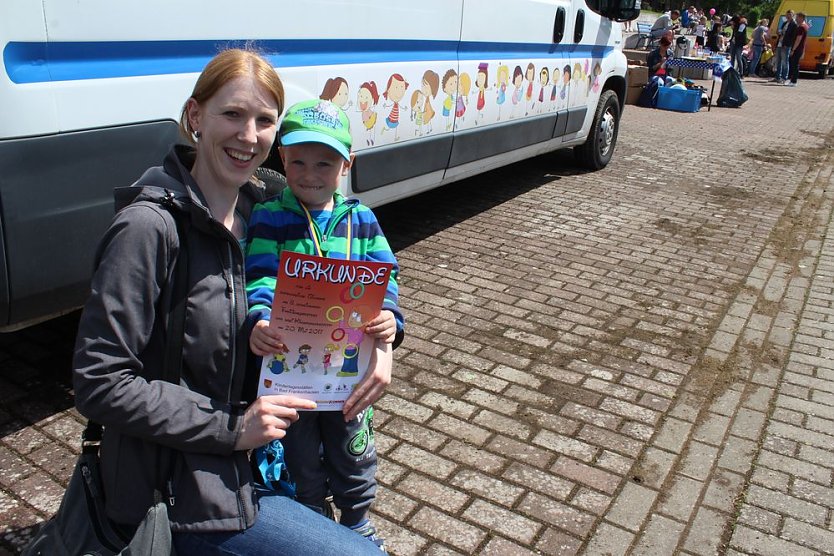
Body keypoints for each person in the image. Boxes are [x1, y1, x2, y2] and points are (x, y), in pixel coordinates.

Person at [72, 48, 385, 556]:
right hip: (182, 486)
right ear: (195, 117)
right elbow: (99, 382)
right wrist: (235, 427)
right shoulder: (148, 228)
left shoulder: (268, 210)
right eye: (233, 114)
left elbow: (346, 288)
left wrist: (382, 350)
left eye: (265, 120)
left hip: (265, 458)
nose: (249, 136)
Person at [246, 99, 404, 550]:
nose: (310, 173)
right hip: (291, 369)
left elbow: (386, 274)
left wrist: (390, 318)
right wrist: (257, 321)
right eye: (298, 161)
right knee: (299, 454)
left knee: (354, 448)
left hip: (349, 370)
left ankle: (356, 521)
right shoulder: (270, 216)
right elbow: (258, 276)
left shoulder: (362, 219)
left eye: (325, 162)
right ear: (282, 159)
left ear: (345, 164)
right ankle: (312, 518)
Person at [787, 12, 810, 86]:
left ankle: (793, 81)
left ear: (801, 18)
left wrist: (793, 50)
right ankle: (792, 80)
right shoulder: (805, 26)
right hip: (800, 48)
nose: (796, 19)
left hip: (797, 49)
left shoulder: (801, 27)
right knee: (794, 64)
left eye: (797, 17)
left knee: (794, 65)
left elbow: (798, 39)